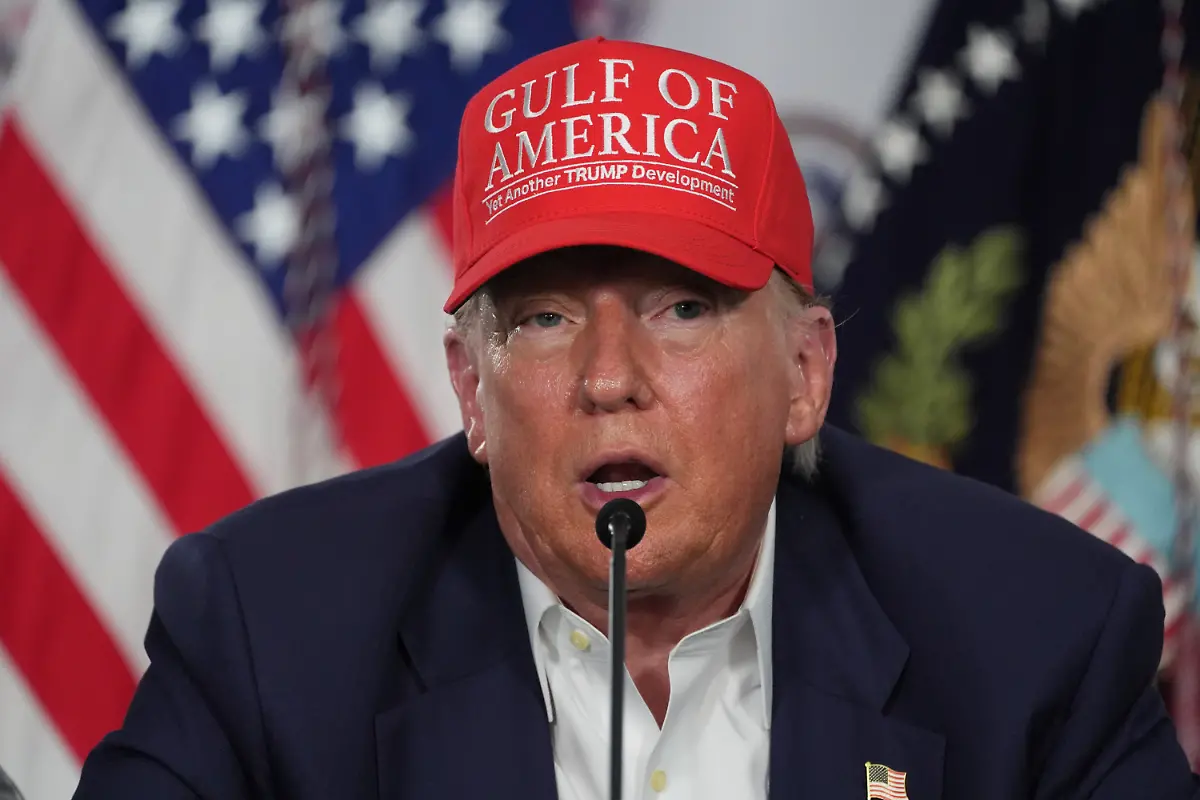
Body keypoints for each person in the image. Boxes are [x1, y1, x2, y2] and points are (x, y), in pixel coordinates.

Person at [72, 37, 1199, 800]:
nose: (609, 377)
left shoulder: (1035, 636)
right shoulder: (270, 632)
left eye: (682, 308)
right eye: (546, 318)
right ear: (471, 391)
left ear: (805, 373)